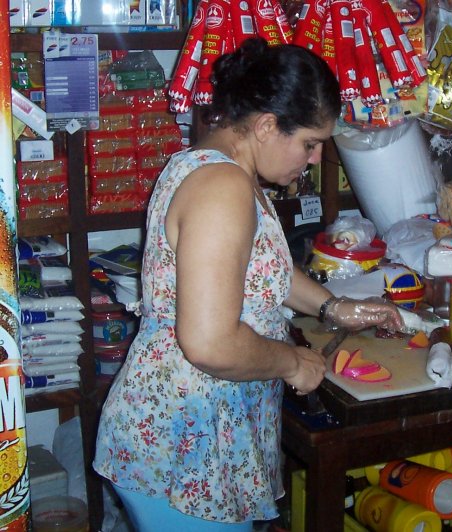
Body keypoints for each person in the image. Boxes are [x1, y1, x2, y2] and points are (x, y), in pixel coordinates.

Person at [93, 38, 403, 531]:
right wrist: (292, 362)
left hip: (194, 432)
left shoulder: (220, 168)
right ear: (264, 126)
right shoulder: (222, 188)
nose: (317, 155)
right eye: (308, 141)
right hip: (185, 443)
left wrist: (333, 308)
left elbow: (263, 270)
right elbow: (210, 343)